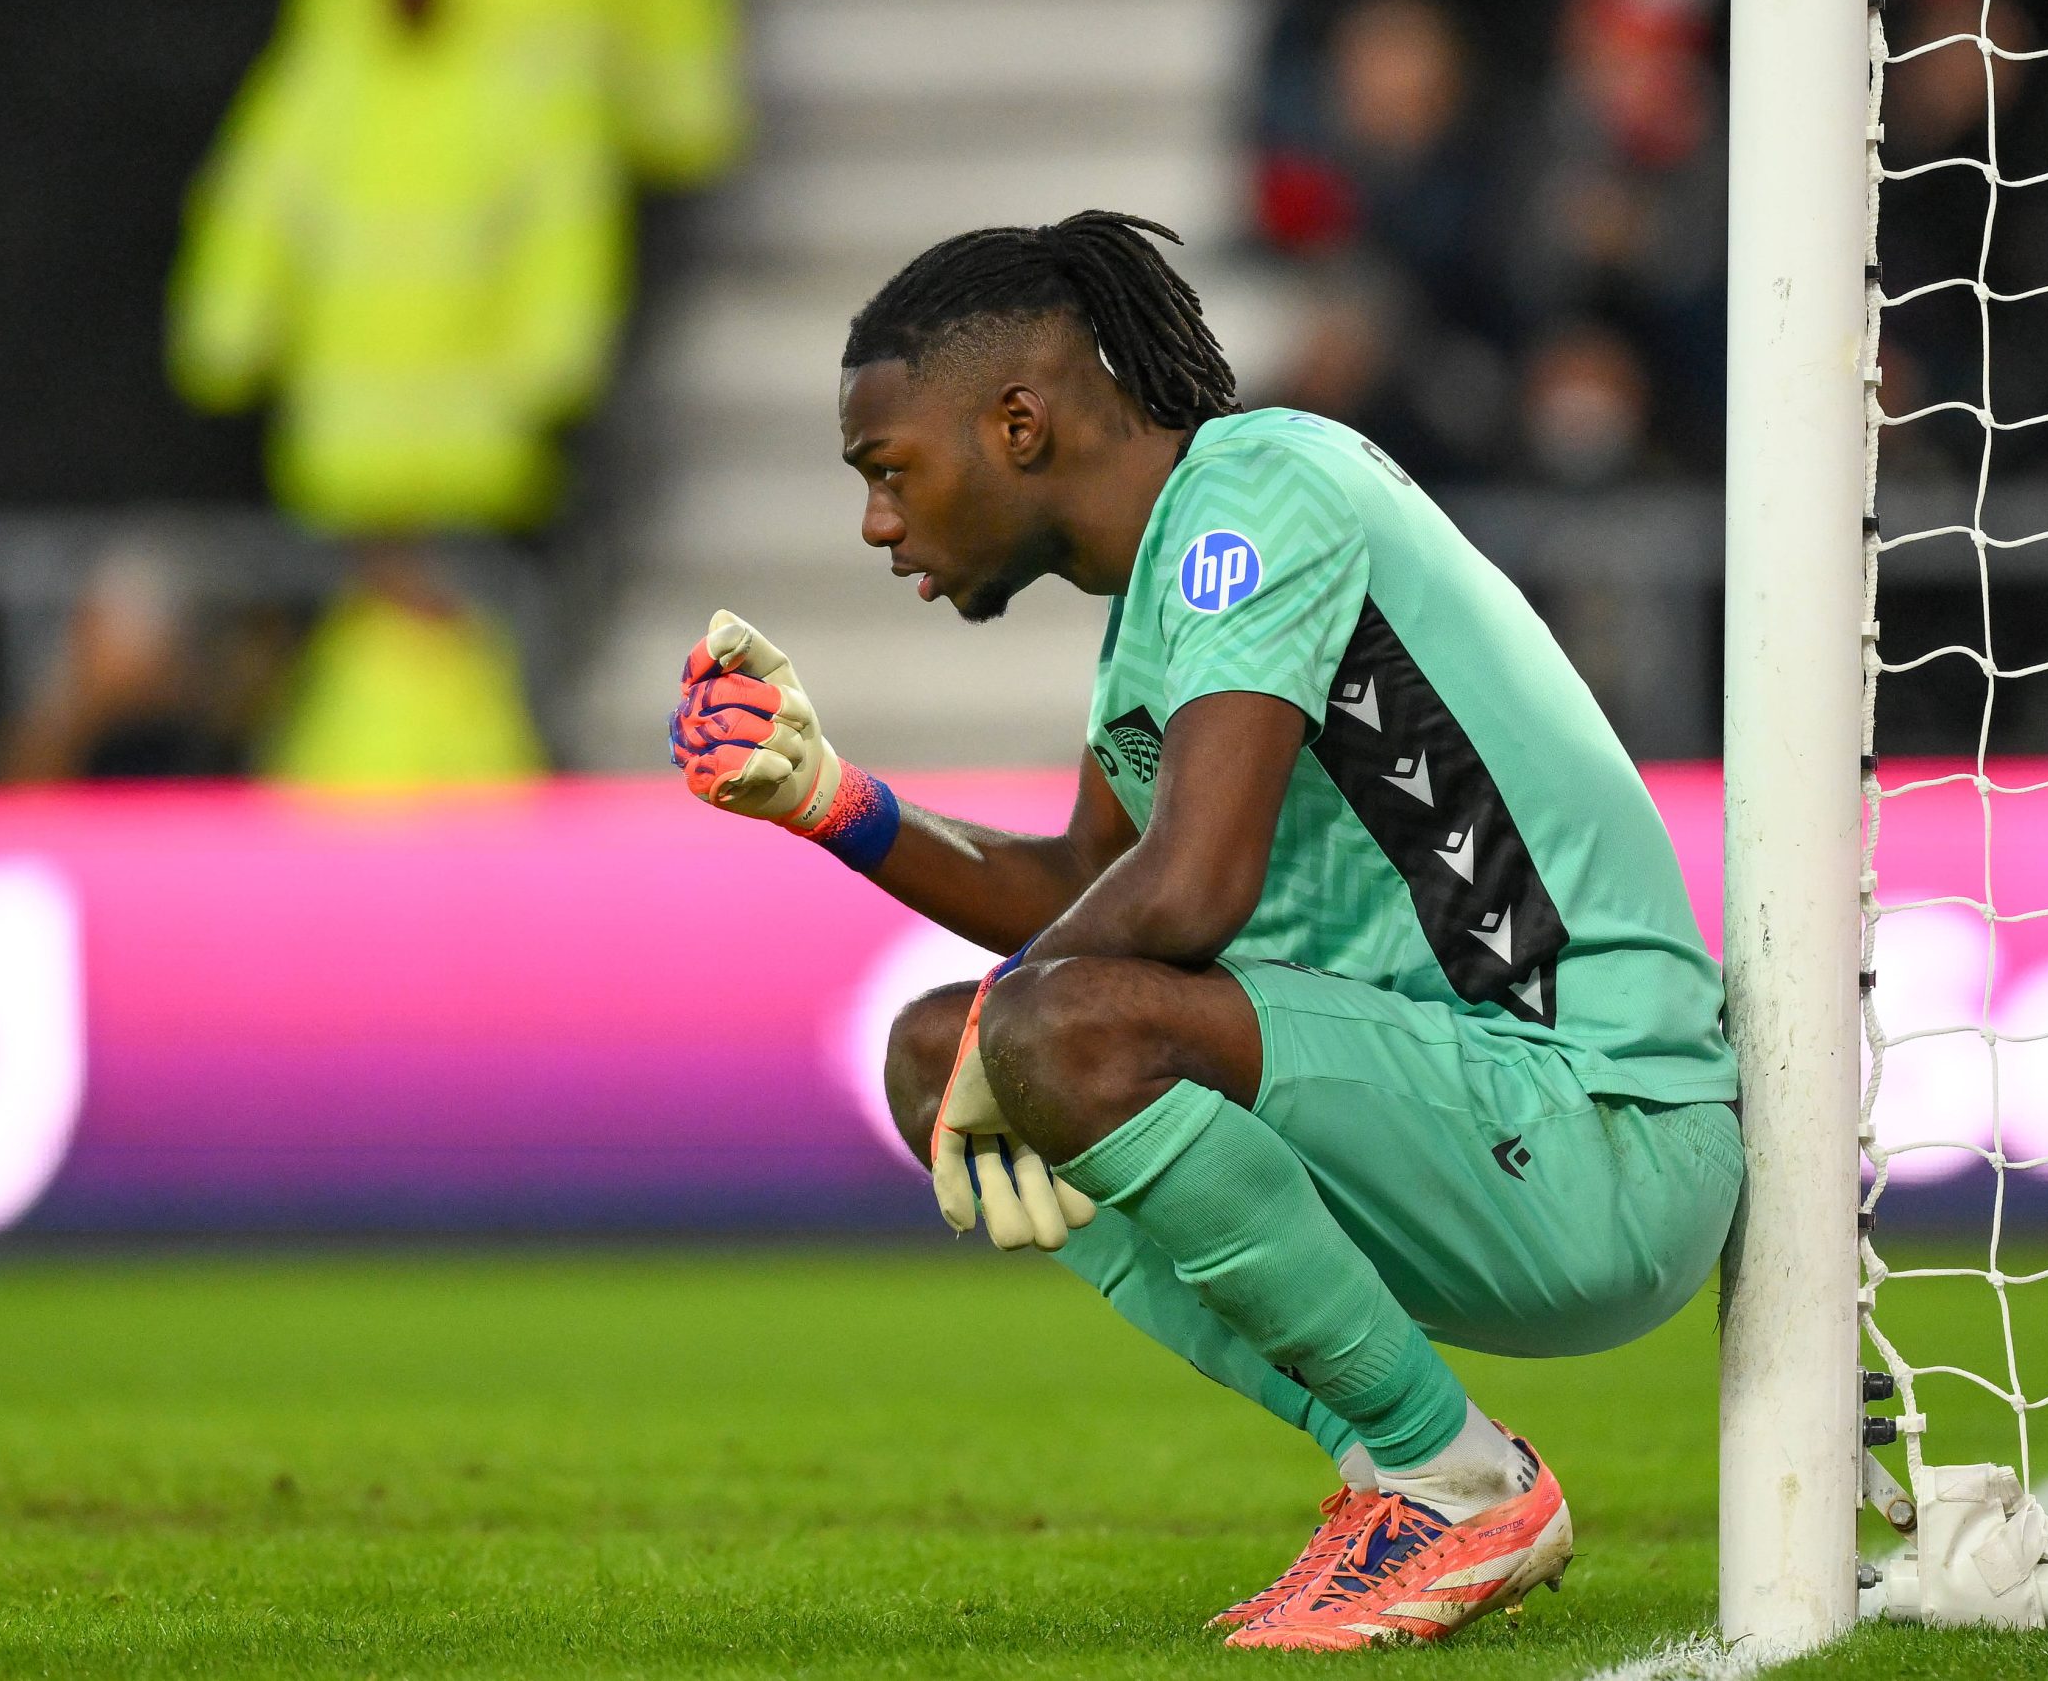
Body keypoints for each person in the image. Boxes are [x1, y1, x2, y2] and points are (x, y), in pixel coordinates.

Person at [667, 212, 1740, 1651]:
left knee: (1043, 1033)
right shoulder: (1160, 615)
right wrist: (836, 802)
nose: (876, 523)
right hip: (1453, 1125)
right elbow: (1080, 896)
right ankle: (1408, 1464)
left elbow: (1185, 896)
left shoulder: (1259, 494)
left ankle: (1458, 1486)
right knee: (942, 1058)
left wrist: (1018, 1027)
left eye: (887, 470)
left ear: (1020, 424)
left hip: (1598, 1122)